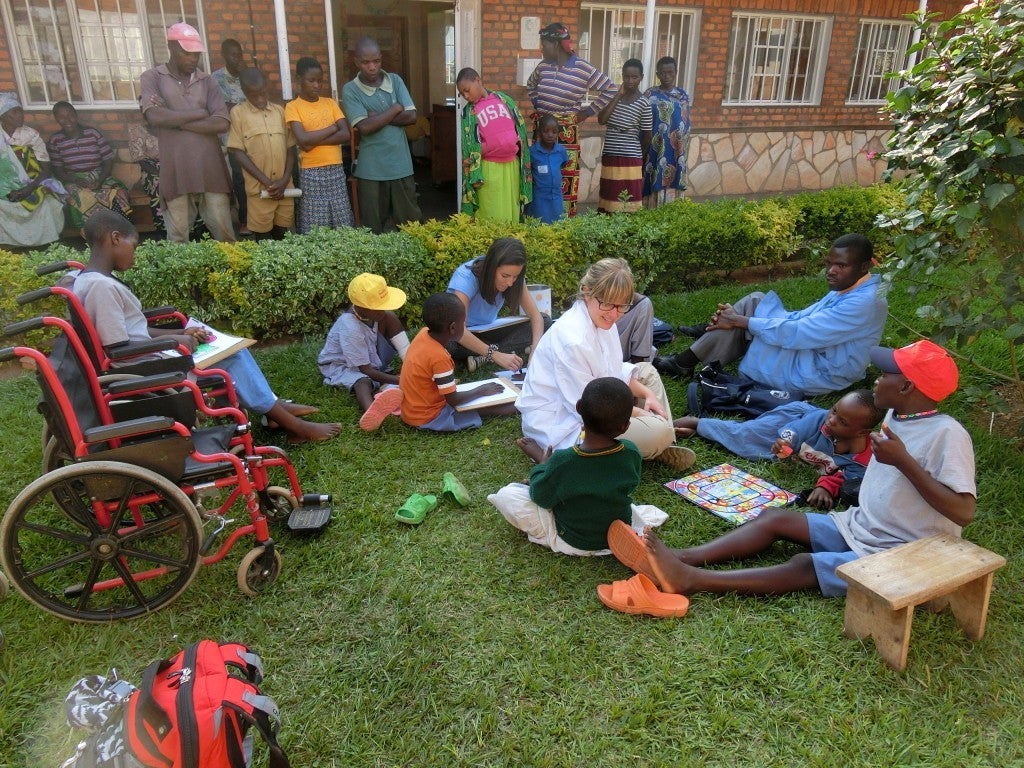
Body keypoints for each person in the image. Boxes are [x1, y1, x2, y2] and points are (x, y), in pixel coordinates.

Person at [614, 340, 974, 599]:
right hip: (863, 525)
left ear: (908, 386)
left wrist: (904, 462)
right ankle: (681, 558)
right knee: (775, 519)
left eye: (885, 375)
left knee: (805, 565)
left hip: (899, 548)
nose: (877, 380)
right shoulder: (898, 414)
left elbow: (963, 511)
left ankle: (692, 579)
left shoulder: (946, 434)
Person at [72, 210, 340, 443]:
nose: (135, 254)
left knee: (230, 348)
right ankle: (291, 423)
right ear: (115, 238)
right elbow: (117, 347)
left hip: (150, 357)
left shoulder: (90, 280)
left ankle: (273, 409)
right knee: (231, 357)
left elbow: (135, 329)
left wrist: (180, 333)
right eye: (134, 246)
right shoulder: (101, 288)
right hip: (147, 369)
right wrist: (177, 344)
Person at [654, 233, 887, 395]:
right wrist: (746, 321)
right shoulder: (854, 285)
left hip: (820, 369)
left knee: (746, 318)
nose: (831, 271)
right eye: (829, 263)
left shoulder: (864, 302)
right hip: (811, 349)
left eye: (841, 266)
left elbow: (800, 333)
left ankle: (692, 353)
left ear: (864, 267)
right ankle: (703, 342)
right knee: (756, 300)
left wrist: (741, 321)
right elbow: (802, 318)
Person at [516, 258, 694, 469]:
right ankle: (659, 438)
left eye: (621, 306)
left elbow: (614, 372)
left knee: (647, 372)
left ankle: (661, 441)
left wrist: (648, 395)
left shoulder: (602, 322)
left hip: (600, 402)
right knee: (658, 430)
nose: (614, 314)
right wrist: (644, 415)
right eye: (607, 303)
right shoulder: (573, 340)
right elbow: (590, 408)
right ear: (586, 291)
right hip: (566, 423)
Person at [489, 377, 667, 555]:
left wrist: (542, 465)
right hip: (620, 532)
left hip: (576, 541)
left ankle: (544, 472)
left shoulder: (564, 461)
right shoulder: (631, 452)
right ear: (626, 426)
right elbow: (630, 484)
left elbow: (540, 497)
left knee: (508, 495)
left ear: (579, 407)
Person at [675, 390, 885, 510]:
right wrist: (785, 443)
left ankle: (702, 430)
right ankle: (694, 422)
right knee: (746, 437)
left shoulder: (863, 460)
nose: (831, 420)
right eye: (834, 410)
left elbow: (846, 479)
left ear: (862, 432)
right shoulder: (821, 419)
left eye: (842, 421)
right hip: (794, 419)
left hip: (797, 448)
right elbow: (795, 431)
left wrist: (824, 487)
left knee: (761, 453)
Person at [139, 22, 235, 243]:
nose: (193, 59)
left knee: (225, 234)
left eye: (196, 54)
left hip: (210, 169)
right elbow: (154, 117)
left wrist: (174, 120)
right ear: (171, 47)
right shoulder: (153, 77)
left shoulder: (207, 80)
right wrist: (200, 113)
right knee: (178, 236)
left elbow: (221, 122)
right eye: (187, 53)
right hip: (176, 170)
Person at [526, 22, 617, 217]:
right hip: (542, 130)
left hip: (566, 133)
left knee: (563, 178)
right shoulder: (543, 67)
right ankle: (538, 220)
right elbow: (530, 85)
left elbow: (611, 88)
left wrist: (587, 112)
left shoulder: (582, 68)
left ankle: (563, 221)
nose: (542, 49)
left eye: (544, 44)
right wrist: (539, 105)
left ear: (555, 44)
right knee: (539, 176)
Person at [400, 292, 517, 432]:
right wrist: (481, 390)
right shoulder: (439, 357)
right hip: (428, 417)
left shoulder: (423, 334)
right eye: (464, 322)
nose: (465, 326)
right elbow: (453, 400)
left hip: (409, 411)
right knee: (504, 407)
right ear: (453, 328)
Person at [341, 38, 422, 234]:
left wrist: (376, 117)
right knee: (373, 229)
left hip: (401, 166)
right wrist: (395, 109)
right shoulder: (350, 89)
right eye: (366, 62)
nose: (372, 67)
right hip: (371, 170)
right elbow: (365, 128)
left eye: (376, 61)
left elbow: (411, 116)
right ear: (356, 62)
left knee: (411, 226)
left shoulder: (395, 80)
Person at [318, 273, 411, 431]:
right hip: (345, 366)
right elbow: (365, 370)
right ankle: (371, 411)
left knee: (390, 318)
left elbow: (406, 351)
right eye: (378, 307)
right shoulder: (350, 327)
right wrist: (402, 381)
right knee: (363, 381)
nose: (384, 310)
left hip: (371, 357)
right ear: (361, 307)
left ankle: (388, 388)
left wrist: (413, 371)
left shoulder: (382, 316)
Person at [446, 237, 548, 371]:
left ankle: (481, 358)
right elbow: (457, 329)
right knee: (450, 343)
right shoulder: (466, 277)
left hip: (489, 330)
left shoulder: (514, 278)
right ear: (491, 268)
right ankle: (496, 353)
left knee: (546, 321)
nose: (510, 283)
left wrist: (536, 351)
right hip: (462, 334)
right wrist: (495, 355)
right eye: (505, 276)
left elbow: (536, 317)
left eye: (515, 276)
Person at [285, 56, 355, 233]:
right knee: (314, 224)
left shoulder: (330, 103)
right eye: (311, 80)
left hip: (336, 170)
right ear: (298, 79)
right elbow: (302, 140)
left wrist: (312, 140)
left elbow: (346, 134)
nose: (317, 85)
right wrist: (333, 128)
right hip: (311, 173)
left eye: (320, 81)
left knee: (342, 221)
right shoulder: (293, 107)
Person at [456, 67, 532, 223]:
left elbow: (520, 131)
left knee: (510, 212)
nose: (466, 96)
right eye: (462, 94)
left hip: (512, 167)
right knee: (491, 215)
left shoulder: (504, 100)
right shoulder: (468, 113)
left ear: (478, 80)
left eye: (467, 90)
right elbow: (470, 149)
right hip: (488, 170)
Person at [227, 68, 296, 239]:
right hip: (259, 190)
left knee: (283, 235)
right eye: (253, 95)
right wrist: (266, 182)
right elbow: (238, 152)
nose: (259, 99)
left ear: (267, 87)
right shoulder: (238, 113)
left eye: (263, 93)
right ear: (244, 91)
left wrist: (284, 179)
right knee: (263, 239)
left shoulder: (280, 111)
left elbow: (290, 148)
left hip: (284, 188)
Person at [47, 101, 131, 228]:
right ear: (56, 119)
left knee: (118, 193)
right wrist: (76, 180)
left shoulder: (92, 134)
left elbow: (108, 160)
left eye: (70, 115)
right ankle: (93, 232)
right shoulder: (55, 140)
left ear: (76, 115)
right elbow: (58, 170)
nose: (67, 120)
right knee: (80, 196)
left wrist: (101, 180)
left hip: (99, 175)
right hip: (73, 180)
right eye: (61, 117)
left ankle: (120, 229)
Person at [0, 92, 65, 248]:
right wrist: (7, 189)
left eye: (20, 110)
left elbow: (46, 170)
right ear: (2, 117)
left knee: (48, 203)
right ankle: (8, 247)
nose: (21, 115)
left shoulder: (31, 135)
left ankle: (48, 244)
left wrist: (28, 189)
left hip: (33, 181)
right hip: (4, 186)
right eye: (14, 112)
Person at [596, 59, 651, 214]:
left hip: (631, 158)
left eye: (635, 77)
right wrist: (618, 96)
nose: (630, 81)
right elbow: (602, 120)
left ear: (641, 77)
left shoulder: (644, 104)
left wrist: (639, 157)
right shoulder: (613, 97)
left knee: (628, 201)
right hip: (611, 155)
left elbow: (647, 135)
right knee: (609, 198)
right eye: (626, 77)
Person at [642, 56, 691, 208]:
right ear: (657, 74)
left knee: (673, 176)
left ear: (676, 73)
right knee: (653, 175)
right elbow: (643, 122)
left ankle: (671, 213)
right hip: (655, 147)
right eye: (663, 73)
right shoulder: (650, 95)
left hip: (676, 148)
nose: (667, 76)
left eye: (670, 72)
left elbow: (685, 123)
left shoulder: (683, 96)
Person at [212, 38, 249, 234]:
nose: (237, 59)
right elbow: (220, 108)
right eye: (233, 55)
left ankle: (254, 218)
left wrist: (246, 76)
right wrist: (243, 110)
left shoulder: (248, 75)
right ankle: (243, 220)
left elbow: (259, 97)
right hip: (229, 139)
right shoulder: (216, 79)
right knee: (238, 180)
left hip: (252, 137)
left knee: (252, 178)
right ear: (224, 56)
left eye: (239, 54)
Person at [525, 114, 569, 223]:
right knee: (540, 225)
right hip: (539, 198)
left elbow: (563, 164)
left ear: (558, 134)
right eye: (546, 131)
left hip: (556, 197)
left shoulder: (561, 151)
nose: (550, 135)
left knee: (558, 225)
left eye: (554, 132)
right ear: (539, 132)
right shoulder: (532, 152)